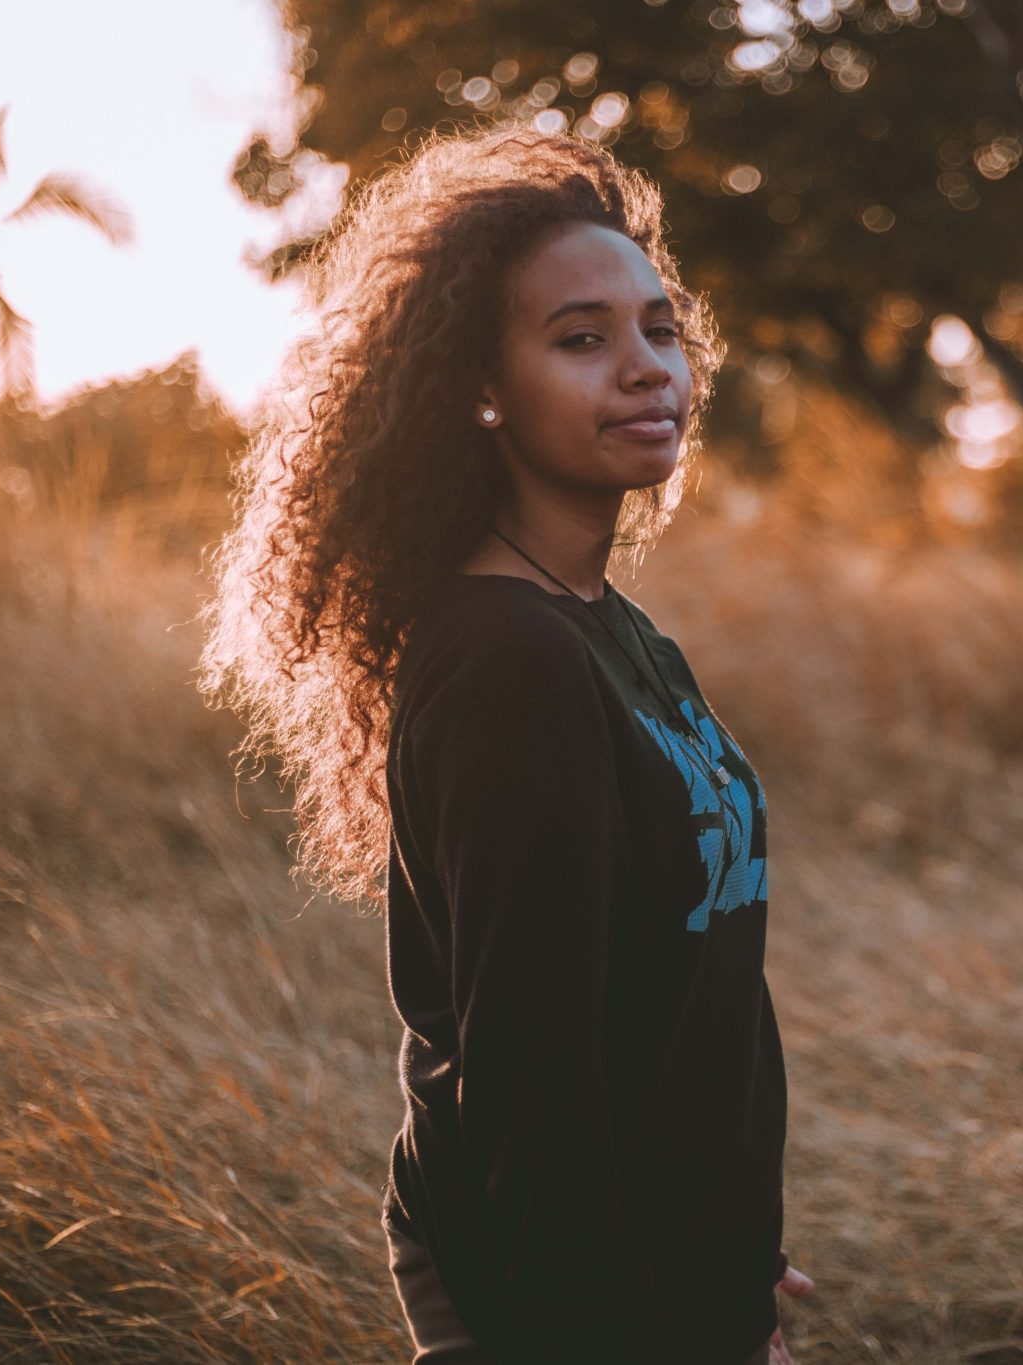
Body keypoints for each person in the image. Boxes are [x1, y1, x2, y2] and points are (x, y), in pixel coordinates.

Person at [197, 119, 811, 1363]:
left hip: (671, 1264)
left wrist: (730, 1251)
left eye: (658, 329)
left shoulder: (612, 630)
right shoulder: (508, 665)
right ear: (481, 389)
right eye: (580, 339)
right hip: (570, 1304)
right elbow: (527, 1076)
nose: (646, 368)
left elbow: (676, 994)